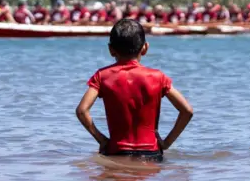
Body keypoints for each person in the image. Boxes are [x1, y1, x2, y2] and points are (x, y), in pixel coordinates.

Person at [75, 19, 194, 162]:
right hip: (152, 154)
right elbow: (187, 111)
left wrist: (102, 140)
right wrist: (166, 143)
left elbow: (82, 110)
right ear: (145, 48)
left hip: (116, 152)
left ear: (111, 50)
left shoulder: (102, 76)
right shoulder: (158, 77)